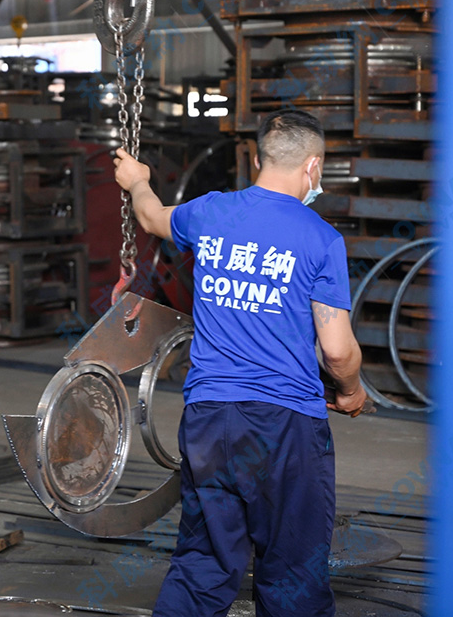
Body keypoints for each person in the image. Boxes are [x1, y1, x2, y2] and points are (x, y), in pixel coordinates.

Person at [112, 108, 368, 617]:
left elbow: (151, 216)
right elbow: (337, 351)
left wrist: (137, 179)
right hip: (285, 427)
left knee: (204, 563)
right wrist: (352, 390)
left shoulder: (210, 213)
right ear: (313, 167)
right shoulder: (320, 239)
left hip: (210, 420)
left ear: (257, 159)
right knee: (293, 571)